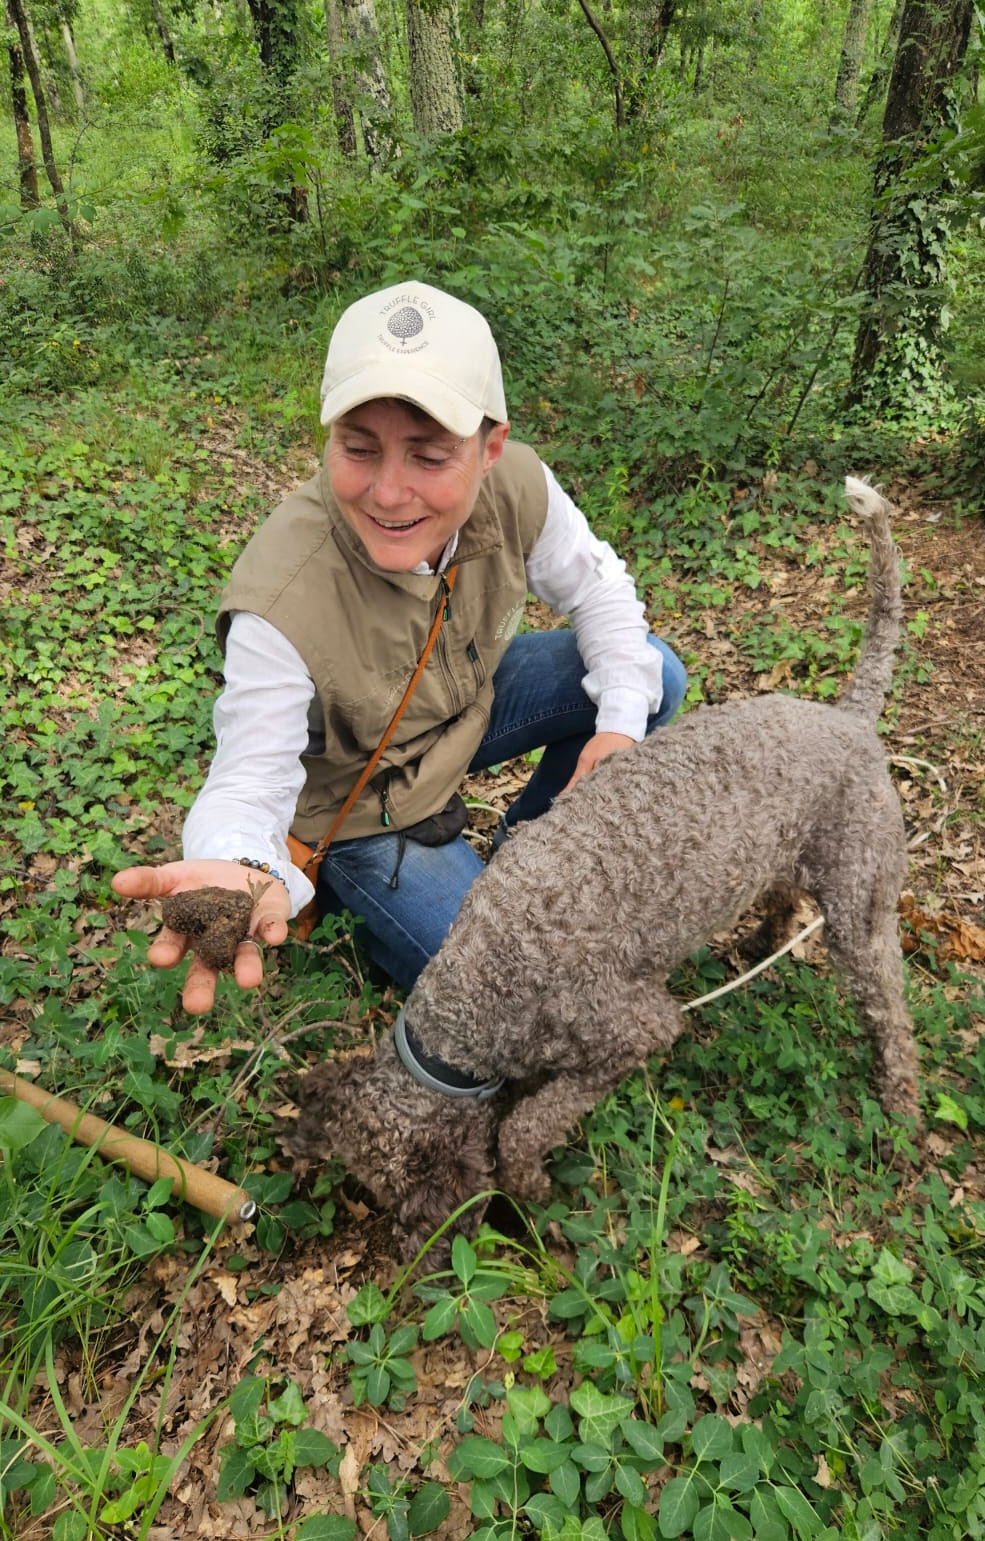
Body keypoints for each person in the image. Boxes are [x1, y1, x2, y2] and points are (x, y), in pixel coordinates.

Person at [113, 281, 686, 1012]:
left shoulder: (518, 485)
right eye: (359, 449)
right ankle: (397, 903)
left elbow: (600, 591)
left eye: (428, 455)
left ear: (490, 448)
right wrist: (244, 867)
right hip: (359, 804)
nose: (388, 492)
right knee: (511, 992)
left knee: (652, 676)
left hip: (460, 712)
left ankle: (532, 857)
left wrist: (618, 730)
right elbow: (248, 774)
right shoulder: (281, 595)